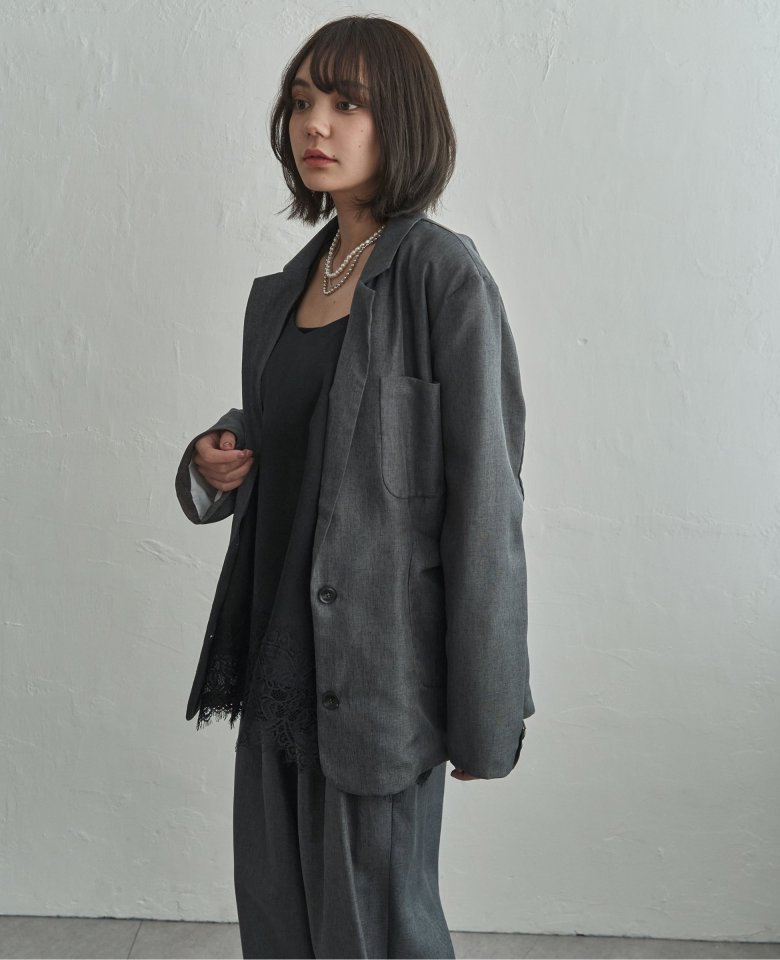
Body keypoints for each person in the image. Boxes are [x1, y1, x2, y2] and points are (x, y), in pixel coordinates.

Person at [174, 14, 535, 959]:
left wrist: (486, 710)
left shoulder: (444, 278)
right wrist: (214, 460)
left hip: (380, 679)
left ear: (400, 119)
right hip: (275, 656)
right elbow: (302, 436)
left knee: (376, 933)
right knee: (279, 925)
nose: (315, 124)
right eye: (302, 101)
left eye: (346, 103)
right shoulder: (282, 290)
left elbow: (486, 505)